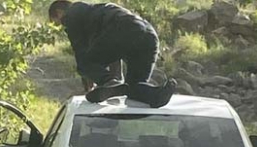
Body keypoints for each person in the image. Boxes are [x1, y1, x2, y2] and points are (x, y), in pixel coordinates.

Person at [48, 1, 176, 108]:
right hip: (149, 37)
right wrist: (113, 79)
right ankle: (157, 95)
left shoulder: (72, 14)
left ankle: (110, 82)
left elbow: (80, 51)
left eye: (57, 22)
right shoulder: (95, 12)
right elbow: (113, 52)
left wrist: (93, 78)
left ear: (59, 12)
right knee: (132, 88)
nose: (61, 25)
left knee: (83, 64)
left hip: (124, 29)